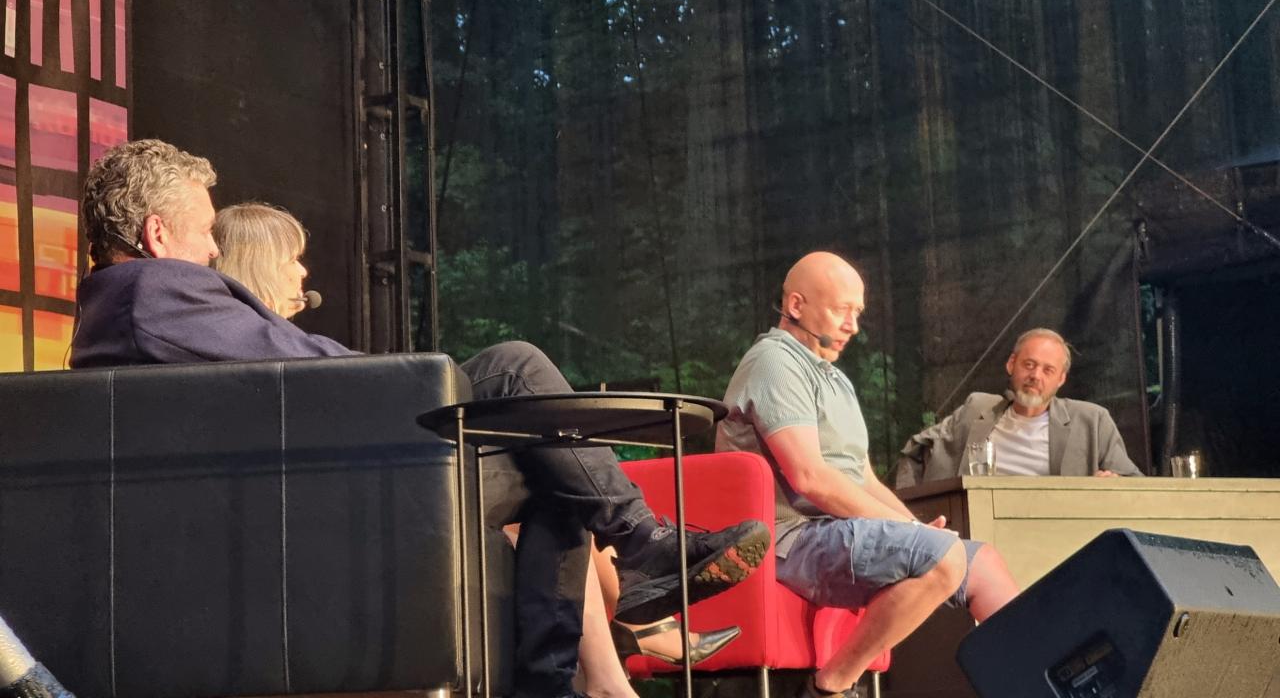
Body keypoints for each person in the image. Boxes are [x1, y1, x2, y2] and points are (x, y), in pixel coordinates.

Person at [70, 139, 769, 698]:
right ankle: (635, 554)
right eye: (203, 233)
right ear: (157, 234)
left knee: (551, 445)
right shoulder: (156, 293)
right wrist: (402, 376)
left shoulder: (124, 307)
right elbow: (303, 368)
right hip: (328, 496)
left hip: (302, 485)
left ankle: (613, 588)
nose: (214, 250)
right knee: (519, 373)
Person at [210, 202, 740, 697]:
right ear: (259, 264)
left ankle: (567, 669)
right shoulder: (254, 341)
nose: (303, 273)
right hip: (366, 495)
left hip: (384, 479)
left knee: (556, 456)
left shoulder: (272, 345)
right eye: (292, 259)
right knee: (517, 364)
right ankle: (638, 546)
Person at [716, 252, 1019, 697]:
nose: (853, 326)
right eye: (842, 310)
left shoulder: (834, 378)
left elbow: (865, 479)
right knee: (943, 559)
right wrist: (910, 533)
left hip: (836, 531)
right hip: (788, 538)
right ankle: (831, 685)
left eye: (857, 312)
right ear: (796, 305)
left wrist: (914, 526)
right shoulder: (775, 362)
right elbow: (809, 477)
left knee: (983, 563)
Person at [896, 328, 1143, 488]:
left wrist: (1115, 482)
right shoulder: (976, 408)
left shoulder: (1092, 420)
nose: (1036, 375)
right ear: (1011, 364)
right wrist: (911, 517)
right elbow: (915, 450)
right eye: (1029, 365)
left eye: (1048, 370)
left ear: (1061, 379)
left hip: (1055, 530)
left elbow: (1137, 486)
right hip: (978, 527)